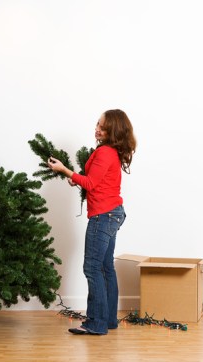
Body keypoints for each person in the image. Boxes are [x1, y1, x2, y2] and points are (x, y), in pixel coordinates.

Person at [47, 109, 136, 335]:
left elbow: (92, 184)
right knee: (106, 268)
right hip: (113, 213)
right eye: (98, 123)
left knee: (92, 268)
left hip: (103, 216)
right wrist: (76, 179)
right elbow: (95, 181)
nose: (97, 128)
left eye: (103, 127)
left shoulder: (105, 152)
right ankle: (108, 321)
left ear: (112, 131)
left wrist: (65, 170)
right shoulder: (110, 152)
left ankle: (96, 323)